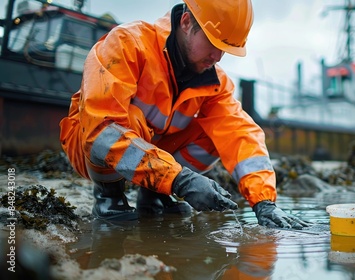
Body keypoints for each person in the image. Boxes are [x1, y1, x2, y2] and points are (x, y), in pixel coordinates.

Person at [59, 0, 308, 229]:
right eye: (214, 44)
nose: (218, 57)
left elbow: (241, 133)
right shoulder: (126, 43)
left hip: (152, 155)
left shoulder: (215, 83)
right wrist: (180, 180)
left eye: (225, 49)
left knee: (218, 134)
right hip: (91, 146)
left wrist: (264, 202)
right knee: (119, 127)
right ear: (187, 22)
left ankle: (156, 194)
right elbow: (100, 131)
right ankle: (109, 197)